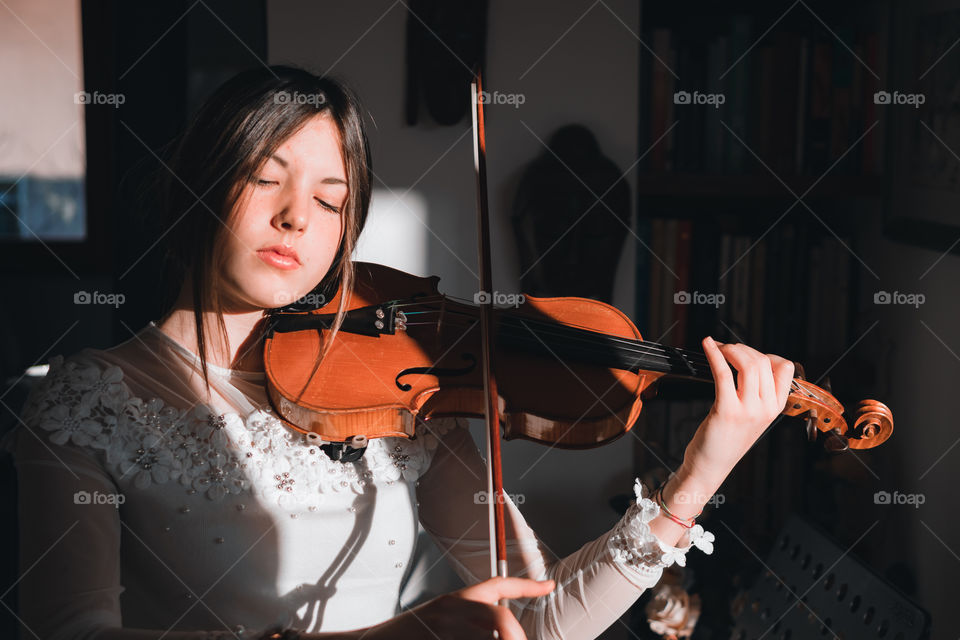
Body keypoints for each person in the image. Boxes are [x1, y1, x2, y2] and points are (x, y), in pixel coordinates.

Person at [3, 65, 794, 640]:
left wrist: (697, 479)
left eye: (329, 200)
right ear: (198, 185)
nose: (295, 220)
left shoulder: (392, 393)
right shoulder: (84, 402)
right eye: (262, 178)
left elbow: (542, 620)